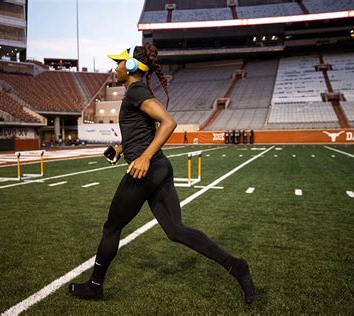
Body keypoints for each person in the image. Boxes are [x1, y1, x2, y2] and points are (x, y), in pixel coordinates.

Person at [68, 44, 255, 304]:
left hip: (146, 171)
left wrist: (143, 157)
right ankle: (237, 266)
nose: (115, 67)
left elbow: (168, 123)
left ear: (131, 66)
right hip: (160, 168)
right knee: (175, 230)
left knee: (111, 227)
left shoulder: (136, 91)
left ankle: (95, 286)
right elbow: (147, 128)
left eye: (119, 63)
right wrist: (123, 148)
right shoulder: (136, 94)